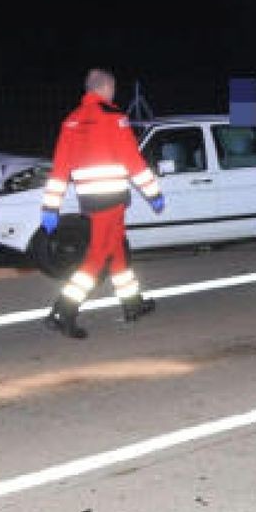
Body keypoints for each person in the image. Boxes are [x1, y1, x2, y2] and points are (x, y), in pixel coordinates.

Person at [40, 68, 164, 339]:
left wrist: (50, 207)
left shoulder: (71, 121)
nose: (114, 93)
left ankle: (132, 304)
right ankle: (63, 312)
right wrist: (153, 193)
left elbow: (59, 169)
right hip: (112, 200)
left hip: (91, 202)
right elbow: (133, 161)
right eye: (113, 88)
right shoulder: (115, 119)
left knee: (117, 250)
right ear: (106, 89)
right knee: (97, 257)